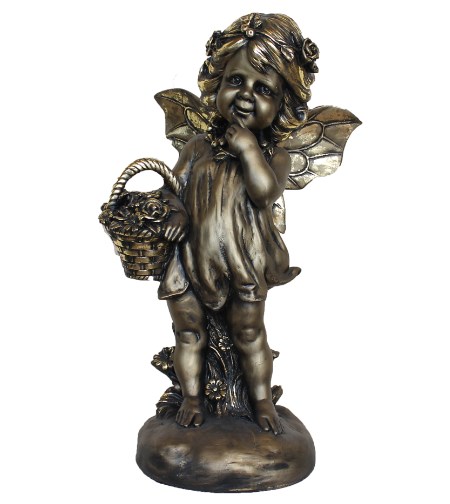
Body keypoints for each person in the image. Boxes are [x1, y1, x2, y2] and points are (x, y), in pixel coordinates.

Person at [158, 13, 319, 434]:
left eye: (263, 89)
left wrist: (248, 149)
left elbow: (264, 192)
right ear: (217, 84)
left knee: (249, 333)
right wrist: (175, 212)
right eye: (236, 81)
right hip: (190, 258)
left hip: (244, 262)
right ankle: (192, 398)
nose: (246, 95)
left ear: (283, 105)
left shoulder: (275, 156)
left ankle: (261, 400)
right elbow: (172, 188)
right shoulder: (197, 146)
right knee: (188, 331)